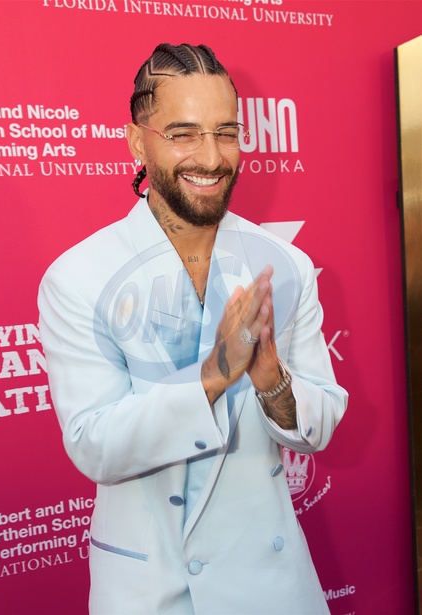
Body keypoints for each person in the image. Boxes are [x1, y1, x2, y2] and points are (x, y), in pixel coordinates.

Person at [38, 43, 348, 615]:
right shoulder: (79, 276)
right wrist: (212, 378)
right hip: (153, 588)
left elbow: (320, 424)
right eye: (183, 134)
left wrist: (271, 380)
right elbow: (95, 446)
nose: (210, 156)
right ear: (138, 143)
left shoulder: (285, 264)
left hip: (272, 582)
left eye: (226, 133)